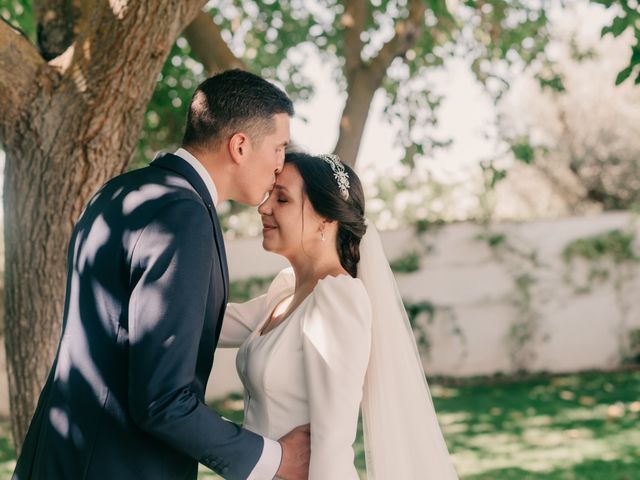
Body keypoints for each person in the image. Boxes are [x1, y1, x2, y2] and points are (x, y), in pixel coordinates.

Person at [13, 70, 310, 480]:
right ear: (240, 146)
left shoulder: (121, 191)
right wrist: (275, 460)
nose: (280, 166)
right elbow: (163, 400)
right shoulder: (182, 215)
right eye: (278, 148)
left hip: (56, 458)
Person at [220, 152, 459, 478]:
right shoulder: (285, 294)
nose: (263, 207)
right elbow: (205, 324)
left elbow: (331, 443)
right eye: (267, 196)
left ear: (325, 219)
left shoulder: (337, 301)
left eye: (282, 199)